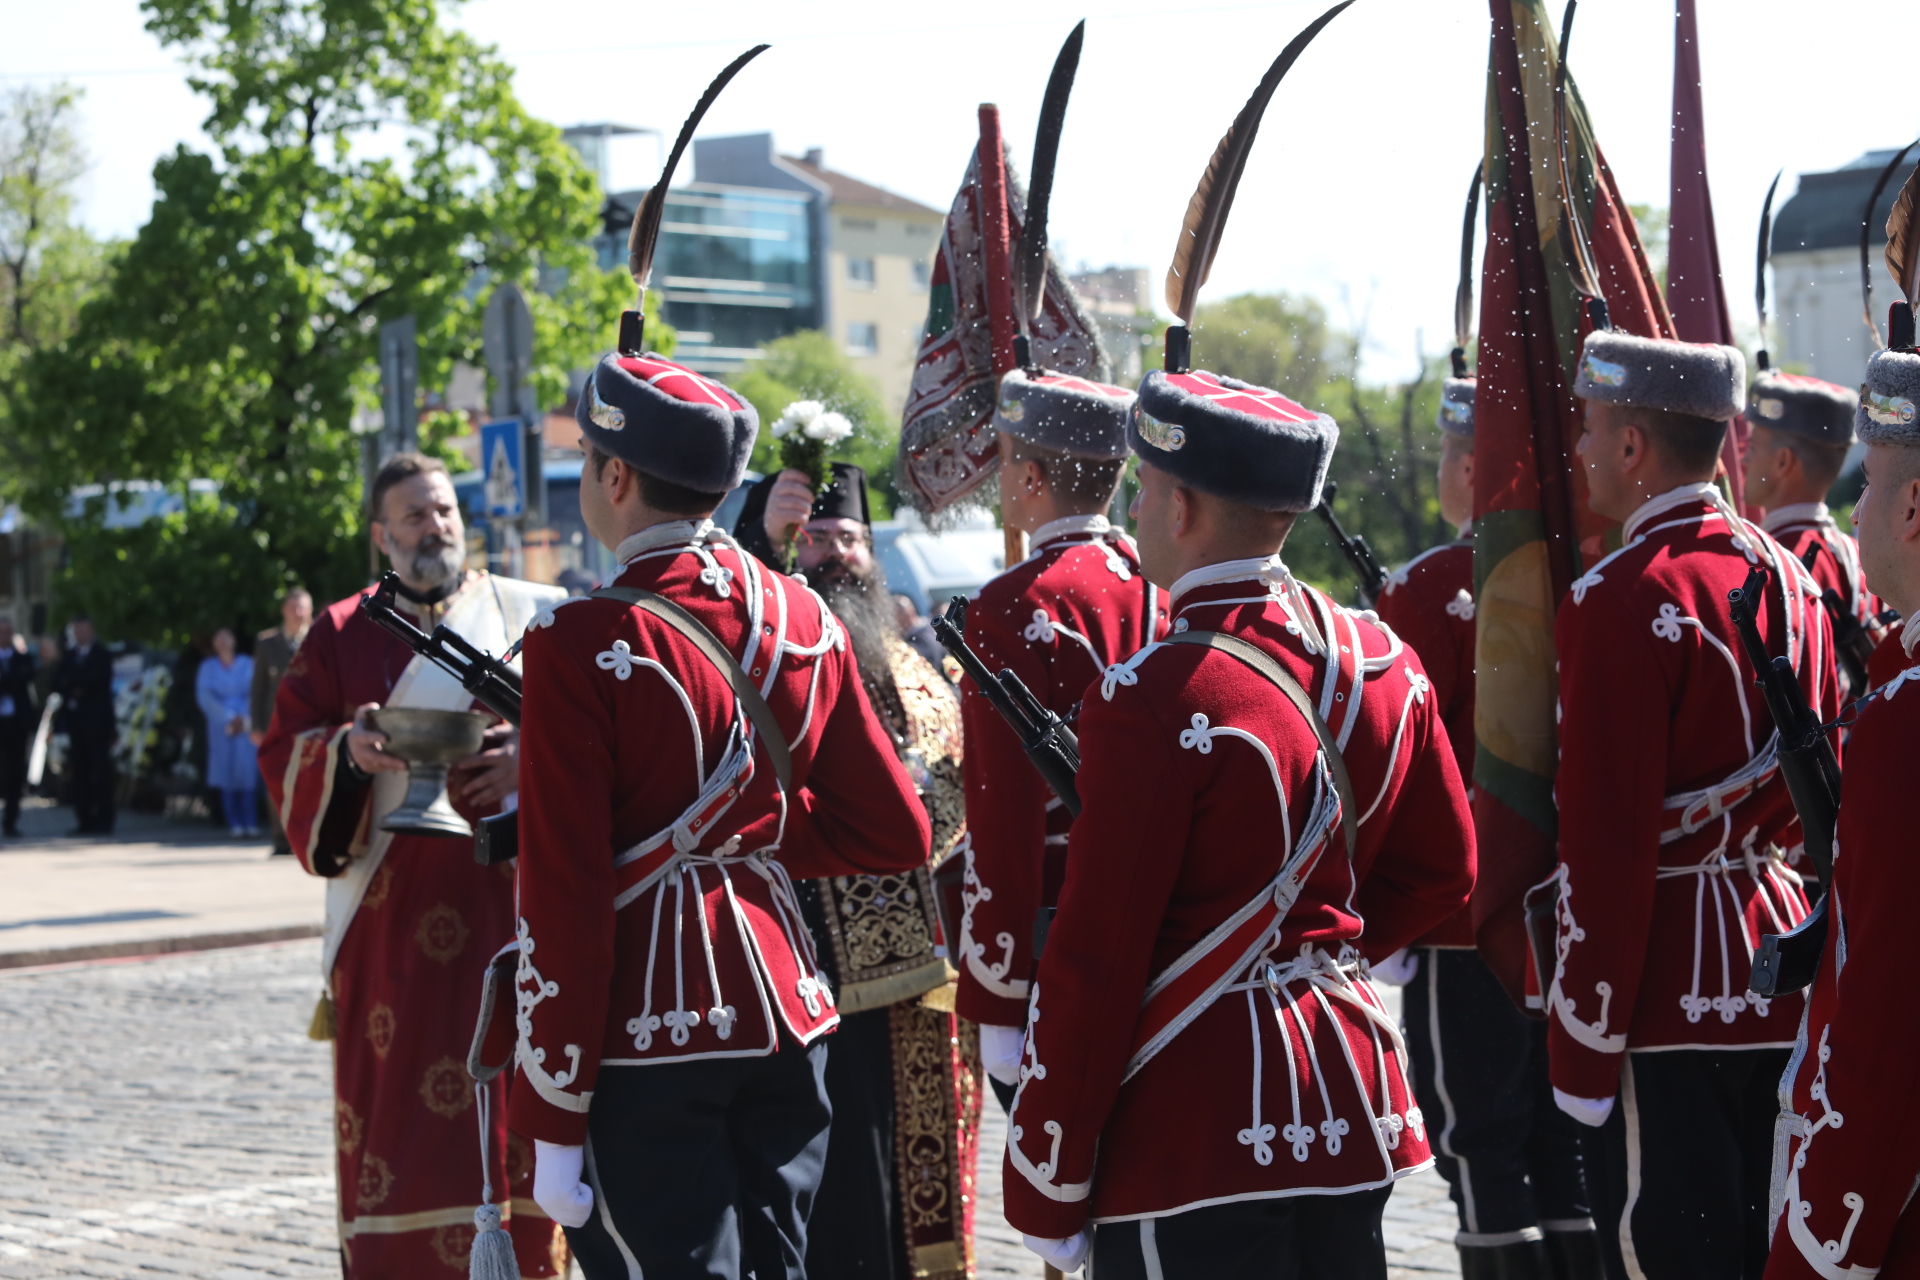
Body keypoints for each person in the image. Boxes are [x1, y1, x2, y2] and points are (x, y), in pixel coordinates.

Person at [1001, 362, 1476, 1278]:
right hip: (1348, 1092)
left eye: (1143, 491)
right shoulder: (1382, 657)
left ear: (1178, 509)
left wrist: (1048, 1175)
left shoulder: (1153, 693)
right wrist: (1310, 954)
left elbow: (1099, 957)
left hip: (1192, 1121)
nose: (1134, 512)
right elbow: (1442, 871)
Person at [509, 352, 931, 1280]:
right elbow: (896, 829)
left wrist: (545, 1113)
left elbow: (566, 899)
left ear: (614, 476)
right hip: (791, 1009)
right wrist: (750, 841)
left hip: (647, 1031)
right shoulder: (803, 619)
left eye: (587, 458)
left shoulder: (575, 642)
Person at [1542, 331, 1836, 1280]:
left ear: (1632, 449)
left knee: (1673, 1253)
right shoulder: (1795, 581)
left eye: (1591, 429)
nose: (1580, 451)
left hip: (1664, 980)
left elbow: (1606, 847)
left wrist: (1583, 1042)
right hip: (1781, 956)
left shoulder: (1619, 598)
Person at [256, 453, 570, 1277]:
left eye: (444, 511)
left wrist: (531, 758)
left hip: (513, 916)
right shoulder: (337, 634)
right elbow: (284, 751)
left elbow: (597, 737)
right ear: (380, 535)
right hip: (389, 934)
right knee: (400, 1124)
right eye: (414, 516)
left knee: (522, 1119)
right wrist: (349, 754)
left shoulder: (529, 614)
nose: (435, 527)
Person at [1375, 376, 1597, 1279]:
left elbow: (1395, 773)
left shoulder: (1429, 591)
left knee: (1477, 1146)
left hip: (1464, 922)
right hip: (1569, 912)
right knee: (1564, 1145)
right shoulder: (1586, 573)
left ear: (1470, 465)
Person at [748, 459, 979, 1280]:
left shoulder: (914, 665)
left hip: (904, 969)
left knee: (898, 1193)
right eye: (812, 539)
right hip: (791, 955)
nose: (832, 554)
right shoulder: (770, 648)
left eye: (847, 538)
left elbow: (952, 787)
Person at [948, 369, 1167, 1108]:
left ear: (1032, 476)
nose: (1002, 478)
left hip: (1059, 942)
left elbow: (1001, 822)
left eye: (1007, 460)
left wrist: (998, 994)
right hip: (1172, 922)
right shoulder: (1165, 585)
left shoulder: (1010, 606)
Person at [1763, 342, 1920, 1278]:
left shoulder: (1908, 723)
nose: (1851, 512)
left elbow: (1889, 1018)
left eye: (1869, 489)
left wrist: (1822, 1245)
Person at [1741, 369, 1887, 698]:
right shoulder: (1862, 554)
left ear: (1782, 462)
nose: (1743, 459)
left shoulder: (1766, 564)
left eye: (1752, 446)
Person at [251, 587, 312, 855]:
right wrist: (256, 725)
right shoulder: (267, 643)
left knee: (308, 779)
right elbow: (258, 688)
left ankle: (307, 836)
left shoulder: (317, 637)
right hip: (274, 722)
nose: (298, 613)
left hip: (310, 722)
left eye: (302, 608)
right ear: (284, 611)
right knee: (276, 778)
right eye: (293, 608)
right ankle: (280, 838)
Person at [53, 614, 116, 835]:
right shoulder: (68, 656)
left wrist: (76, 684)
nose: (80, 635)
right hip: (76, 724)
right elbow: (59, 682)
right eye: (77, 632)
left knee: (101, 772)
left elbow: (97, 679)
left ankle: (105, 820)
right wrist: (76, 684)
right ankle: (84, 819)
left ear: (91, 631)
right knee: (79, 773)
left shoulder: (102, 654)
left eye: (84, 631)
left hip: (98, 724)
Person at [196, 626, 258, 837]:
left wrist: (245, 718)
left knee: (247, 773)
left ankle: (251, 821)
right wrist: (228, 718)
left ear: (234, 640)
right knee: (226, 774)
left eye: (226, 637)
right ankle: (234, 823)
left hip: (245, 724)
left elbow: (255, 692)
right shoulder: (207, 667)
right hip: (221, 726)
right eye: (218, 638)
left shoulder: (247, 664)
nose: (223, 642)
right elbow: (205, 696)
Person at [0, 616, 35, 836]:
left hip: (15, 725)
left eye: (7, 632)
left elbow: (23, 679)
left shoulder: (23, 659)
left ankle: (11, 820)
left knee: (15, 773)